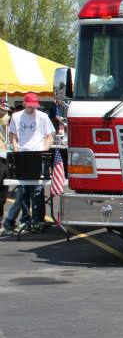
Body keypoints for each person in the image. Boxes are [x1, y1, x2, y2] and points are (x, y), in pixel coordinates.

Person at [1, 93, 55, 236]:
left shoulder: (42, 117)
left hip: (38, 154)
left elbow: (50, 137)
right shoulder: (16, 116)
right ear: (25, 104)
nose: (33, 109)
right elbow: (12, 135)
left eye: (35, 106)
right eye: (30, 106)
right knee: (23, 190)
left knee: (37, 190)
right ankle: (25, 219)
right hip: (23, 155)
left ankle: (38, 221)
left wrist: (43, 151)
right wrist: (16, 150)